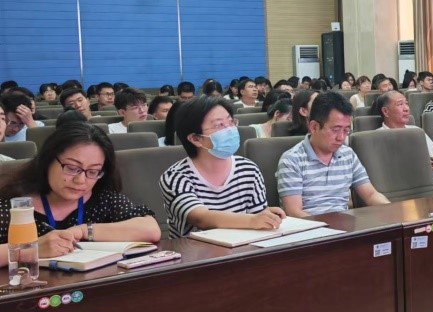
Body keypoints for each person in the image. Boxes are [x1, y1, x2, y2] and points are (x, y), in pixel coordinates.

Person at [0, 122, 161, 261]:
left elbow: (151, 230)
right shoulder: (14, 207)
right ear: (48, 160)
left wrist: (84, 230)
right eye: (72, 168)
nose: (81, 180)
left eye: (93, 172)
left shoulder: (104, 200)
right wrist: (30, 249)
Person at [160, 97, 285, 238]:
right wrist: (252, 221)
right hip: (195, 249)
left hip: (243, 246)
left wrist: (267, 218)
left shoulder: (248, 169)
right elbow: (200, 218)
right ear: (196, 138)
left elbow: (259, 221)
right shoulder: (175, 177)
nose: (230, 130)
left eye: (231, 122)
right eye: (219, 125)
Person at [277, 91, 389, 217]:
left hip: (345, 223)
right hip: (310, 225)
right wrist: (326, 227)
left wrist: (391, 210)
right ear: (314, 127)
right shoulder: (291, 160)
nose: (341, 137)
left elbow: (370, 195)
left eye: (346, 130)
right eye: (335, 130)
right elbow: (294, 212)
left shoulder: (348, 154)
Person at [374, 91, 433, 159]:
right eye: (400, 104)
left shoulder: (416, 131)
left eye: (406, 104)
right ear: (385, 111)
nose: (406, 109)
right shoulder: (375, 138)